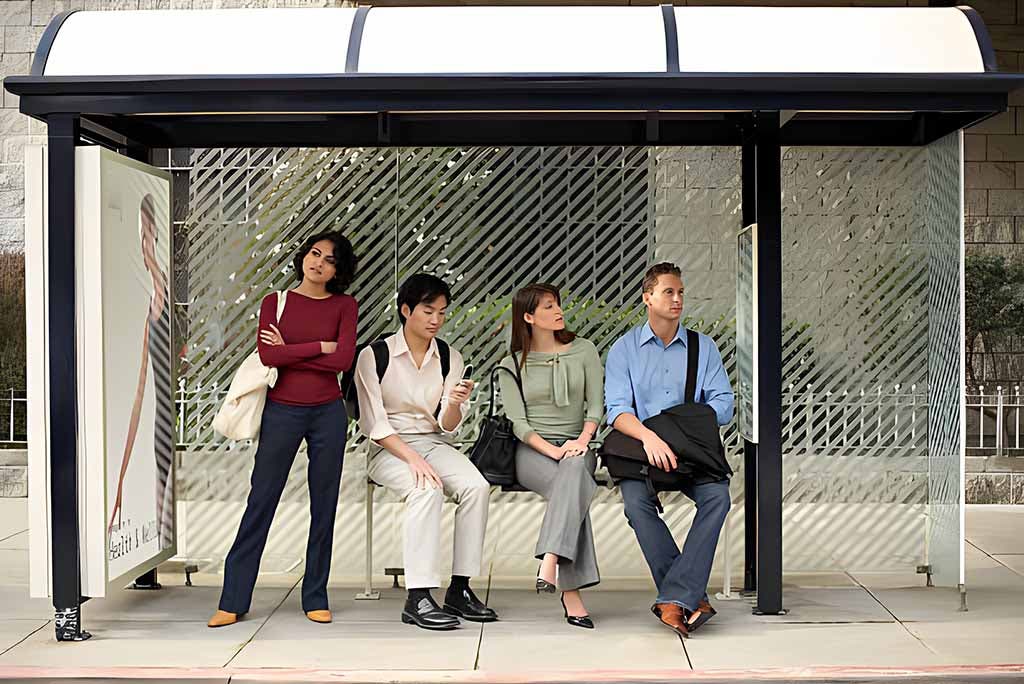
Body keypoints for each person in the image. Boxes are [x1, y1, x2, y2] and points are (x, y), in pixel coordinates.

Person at [208, 231, 359, 628]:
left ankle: (315, 595)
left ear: (338, 270)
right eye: (314, 254)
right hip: (282, 412)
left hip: (328, 413)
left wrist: (295, 351)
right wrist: (318, 347)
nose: (319, 263)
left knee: (324, 504)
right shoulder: (275, 303)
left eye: (329, 260)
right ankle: (233, 598)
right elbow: (268, 354)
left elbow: (343, 360)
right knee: (262, 500)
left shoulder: (345, 306)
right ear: (303, 257)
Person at [355, 273, 497, 631]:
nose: (436, 320)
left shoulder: (450, 357)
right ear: (406, 310)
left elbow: (448, 426)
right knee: (426, 489)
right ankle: (418, 597)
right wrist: (413, 459)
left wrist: (454, 403)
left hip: (434, 443)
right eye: (427, 310)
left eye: (442, 313)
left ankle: (460, 589)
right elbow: (374, 424)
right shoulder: (374, 356)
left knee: (475, 487)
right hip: (388, 448)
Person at [604, 262, 734, 638]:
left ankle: (676, 598)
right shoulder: (625, 349)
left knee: (718, 498)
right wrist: (651, 437)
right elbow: (617, 410)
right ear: (647, 297)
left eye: (680, 292)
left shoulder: (702, 347)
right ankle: (689, 597)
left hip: (692, 454)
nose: (677, 299)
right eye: (668, 292)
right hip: (644, 453)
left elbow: (723, 403)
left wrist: (683, 425)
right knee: (635, 506)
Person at [497, 284, 603, 629]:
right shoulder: (510, 364)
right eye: (547, 307)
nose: (558, 311)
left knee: (572, 477)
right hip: (532, 452)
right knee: (572, 488)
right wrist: (553, 449)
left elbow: (596, 405)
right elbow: (517, 422)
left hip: (578, 444)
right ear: (528, 317)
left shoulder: (584, 350)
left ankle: (551, 560)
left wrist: (582, 440)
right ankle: (567, 586)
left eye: (557, 304)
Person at [108, 195, 174, 549]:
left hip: (159, 397)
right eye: (143, 232)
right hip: (144, 397)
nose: (147, 239)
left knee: (160, 469)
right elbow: (137, 378)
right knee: (149, 468)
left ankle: (157, 542)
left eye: (151, 231)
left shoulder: (156, 278)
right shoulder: (136, 284)